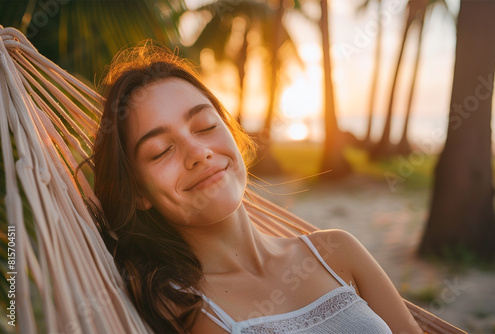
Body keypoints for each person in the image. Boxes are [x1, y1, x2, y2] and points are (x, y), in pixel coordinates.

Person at [90, 41, 423, 334]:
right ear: (138, 194)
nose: (198, 153)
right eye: (161, 150)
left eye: (205, 126)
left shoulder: (336, 252)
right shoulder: (180, 308)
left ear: (233, 136)